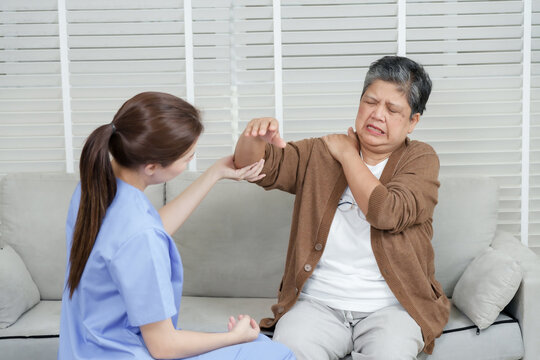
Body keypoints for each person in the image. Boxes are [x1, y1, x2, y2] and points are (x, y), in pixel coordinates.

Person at [233, 56, 451, 359]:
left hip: (392, 309)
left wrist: (349, 156)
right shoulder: (321, 152)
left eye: (392, 109)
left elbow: (386, 212)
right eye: (370, 102)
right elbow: (255, 166)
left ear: (413, 121)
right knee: (289, 351)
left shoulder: (420, 159)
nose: (377, 115)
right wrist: (253, 138)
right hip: (316, 305)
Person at [58, 92, 296, 360]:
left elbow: (142, 235)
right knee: (278, 354)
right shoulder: (139, 235)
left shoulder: (93, 190)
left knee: (264, 350)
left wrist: (215, 172)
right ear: (151, 167)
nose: (190, 162)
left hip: (84, 351)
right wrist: (233, 337)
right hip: (128, 353)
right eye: (187, 158)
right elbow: (164, 347)